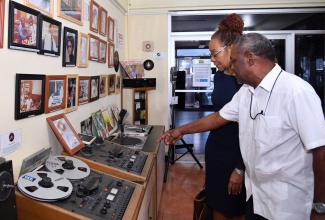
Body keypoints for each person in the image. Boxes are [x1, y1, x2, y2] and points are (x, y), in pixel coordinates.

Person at [158, 32, 325, 220]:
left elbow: (321, 151)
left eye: (235, 61)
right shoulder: (246, 92)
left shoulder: (296, 92)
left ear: (250, 59)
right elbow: (217, 118)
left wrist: (320, 208)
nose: (232, 67)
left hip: (287, 204)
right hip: (256, 196)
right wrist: (180, 130)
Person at [200, 13, 246, 220]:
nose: (212, 59)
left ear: (230, 49)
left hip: (239, 152)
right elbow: (219, 115)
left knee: (237, 207)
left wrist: (240, 168)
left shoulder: (246, 80)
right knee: (217, 203)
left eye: (214, 53)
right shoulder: (219, 76)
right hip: (216, 147)